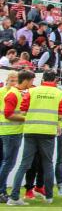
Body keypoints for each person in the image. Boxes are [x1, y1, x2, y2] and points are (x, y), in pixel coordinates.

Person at [8, 70, 62, 205]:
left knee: (24, 164)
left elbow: (23, 108)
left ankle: (14, 197)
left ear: (42, 79)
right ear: (55, 80)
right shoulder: (60, 93)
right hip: (47, 132)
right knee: (47, 164)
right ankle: (49, 197)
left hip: (31, 130)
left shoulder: (32, 91)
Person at [0, 70, 25, 204]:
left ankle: (2, 190)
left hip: (8, 130)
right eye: (12, 80)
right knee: (7, 163)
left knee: (5, 162)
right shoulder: (5, 93)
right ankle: (1, 191)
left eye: (16, 80)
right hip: (7, 130)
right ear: (7, 80)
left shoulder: (16, 93)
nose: (14, 83)